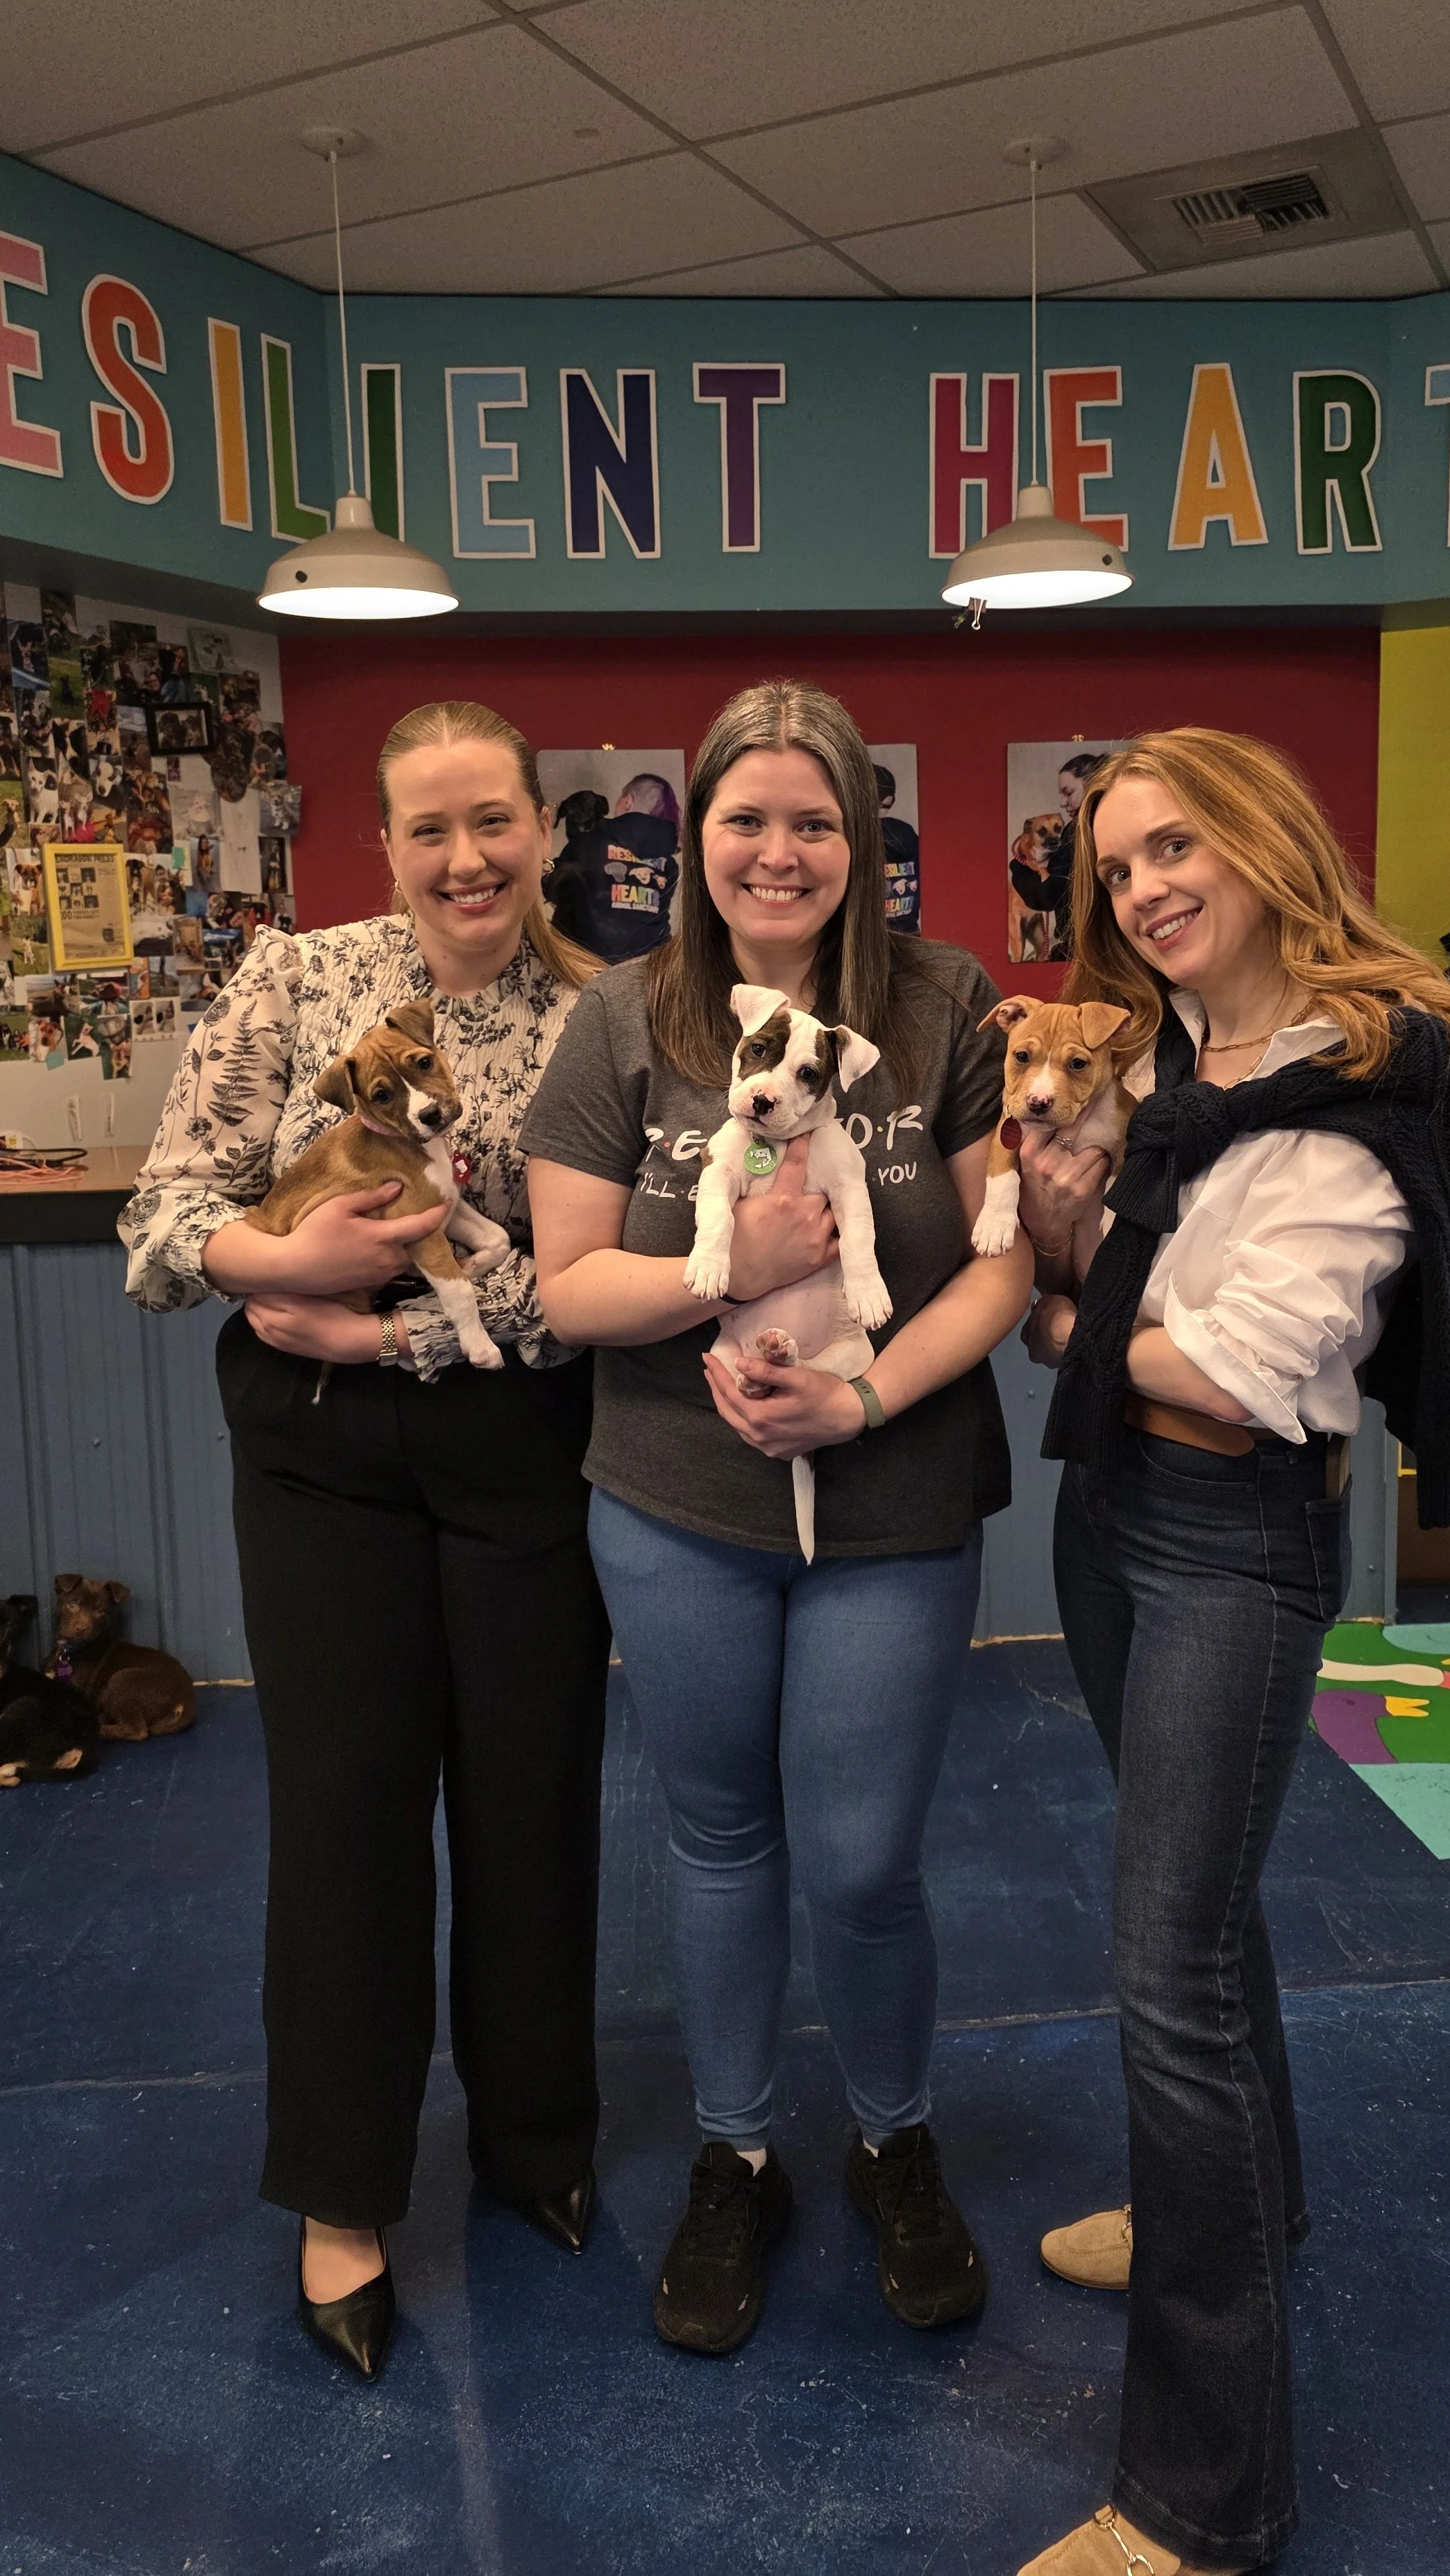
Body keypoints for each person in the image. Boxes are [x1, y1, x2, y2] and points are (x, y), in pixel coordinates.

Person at [1009, 728, 1450, 2576]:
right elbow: (1095, 1283)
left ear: (1260, 838)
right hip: (1111, 1517)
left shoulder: (1365, 1072)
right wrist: (1089, 1290)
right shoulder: (1165, 1057)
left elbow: (1242, 1371)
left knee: (1164, 1971)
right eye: (1118, 867)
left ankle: (1199, 2501)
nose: (1147, 889)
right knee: (1208, 1917)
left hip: (1237, 1535)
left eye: (1176, 848)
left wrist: (1086, 1312)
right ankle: (1242, 2213)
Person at [524, 679, 1032, 2357]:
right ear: (695, 835)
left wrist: (865, 1395)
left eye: (812, 818)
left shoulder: (946, 1001)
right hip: (672, 1505)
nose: (776, 848)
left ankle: (892, 2136)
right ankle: (735, 2152)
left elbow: (996, 1264)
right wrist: (729, 1271)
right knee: (718, 1838)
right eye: (743, 815)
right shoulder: (621, 1018)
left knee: (867, 1857)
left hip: (885, 1499)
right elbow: (566, 1283)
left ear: (860, 838)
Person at [120, 699, 612, 2382]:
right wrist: (280, 1272)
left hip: (515, 1441)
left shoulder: (602, 1015)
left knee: (533, 1793)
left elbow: (586, 1283)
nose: (465, 857)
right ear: (385, 846)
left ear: (543, 828)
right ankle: (343, 2196)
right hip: (318, 1461)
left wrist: (375, 1327)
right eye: (429, 828)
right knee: (342, 1811)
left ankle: (536, 2140)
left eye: (494, 820)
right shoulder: (291, 980)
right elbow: (167, 1211)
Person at [550, 770, 681, 960]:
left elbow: (554, 889)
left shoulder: (587, 844)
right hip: (650, 966)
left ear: (627, 801)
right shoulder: (669, 865)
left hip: (585, 966)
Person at [1034, 749, 1109, 962]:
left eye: (1068, 792)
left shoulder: (1081, 829)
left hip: (1087, 947)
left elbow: (1055, 890)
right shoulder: (1079, 827)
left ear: (1092, 782)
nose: (1062, 802)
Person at [874, 762, 920, 933]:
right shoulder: (904, 832)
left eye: (885, 806)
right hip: (906, 931)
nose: (882, 812)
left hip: (901, 931)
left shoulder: (902, 833)